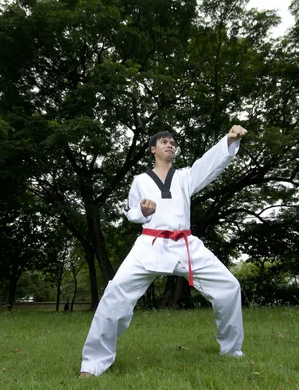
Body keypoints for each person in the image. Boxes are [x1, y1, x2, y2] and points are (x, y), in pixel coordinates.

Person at [79, 125, 247, 377]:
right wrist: (143, 212)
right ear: (152, 149)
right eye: (164, 141)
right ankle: (93, 363)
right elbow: (131, 213)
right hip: (150, 245)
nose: (170, 144)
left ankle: (232, 350)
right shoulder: (140, 180)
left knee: (229, 287)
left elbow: (209, 165)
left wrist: (228, 140)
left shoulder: (185, 177)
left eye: (173, 142)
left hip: (186, 245)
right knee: (115, 294)